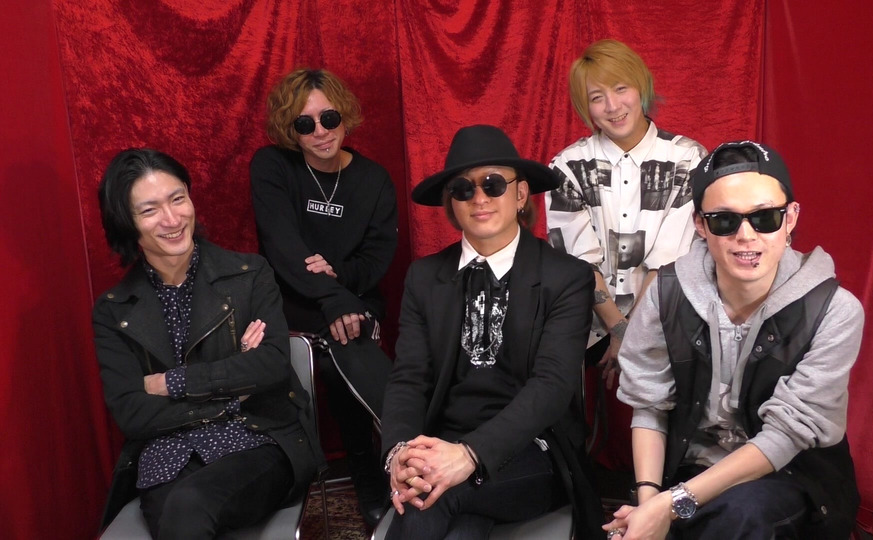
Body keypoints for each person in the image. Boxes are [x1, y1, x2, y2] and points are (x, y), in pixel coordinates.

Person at [606, 141, 864, 540]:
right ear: (700, 225)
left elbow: (786, 435)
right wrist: (648, 502)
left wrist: (669, 506)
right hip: (687, 468)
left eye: (765, 218)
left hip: (791, 474)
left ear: (791, 217)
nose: (746, 236)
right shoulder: (667, 293)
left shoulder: (834, 310)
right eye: (725, 220)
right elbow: (649, 405)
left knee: (739, 516)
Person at [380, 125, 603, 539]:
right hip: (439, 445)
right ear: (451, 202)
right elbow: (409, 378)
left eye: (493, 184)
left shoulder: (567, 277)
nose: (479, 198)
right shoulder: (425, 277)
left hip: (534, 450)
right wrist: (400, 453)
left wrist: (470, 455)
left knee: (430, 496)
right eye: (463, 189)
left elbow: (552, 387)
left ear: (520, 194)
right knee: (456, 523)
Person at [93, 148, 323, 539]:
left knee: (189, 506)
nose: (172, 219)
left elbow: (270, 366)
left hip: (256, 437)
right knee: (178, 515)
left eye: (178, 199)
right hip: (167, 456)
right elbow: (132, 412)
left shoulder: (249, 274)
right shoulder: (114, 310)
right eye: (149, 210)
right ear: (125, 222)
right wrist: (233, 391)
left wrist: (171, 382)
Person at [249, 68, 397, 526]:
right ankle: (376, 465)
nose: (320, 131)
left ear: (344, 115)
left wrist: (339, 281)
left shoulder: (373, 179)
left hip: (355, 295)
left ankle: (392, 454)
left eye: (329, 118)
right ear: (289, 129)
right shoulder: (272, 166)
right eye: (305, 123)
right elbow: (283, 248)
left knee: (347, 338)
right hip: (293, 299)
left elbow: (377, 257)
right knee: (338, 341)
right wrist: (333, 298)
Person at [545, 39, 707, 389]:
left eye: (621, 89)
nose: (612, 106)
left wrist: (631, 336)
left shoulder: (687, 159)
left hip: (666, 321)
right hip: (586, 329)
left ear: (641, 87)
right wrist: (617, 328)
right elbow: (579, 262)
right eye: (597, 97)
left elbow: (669, 261)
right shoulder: (567, 167)